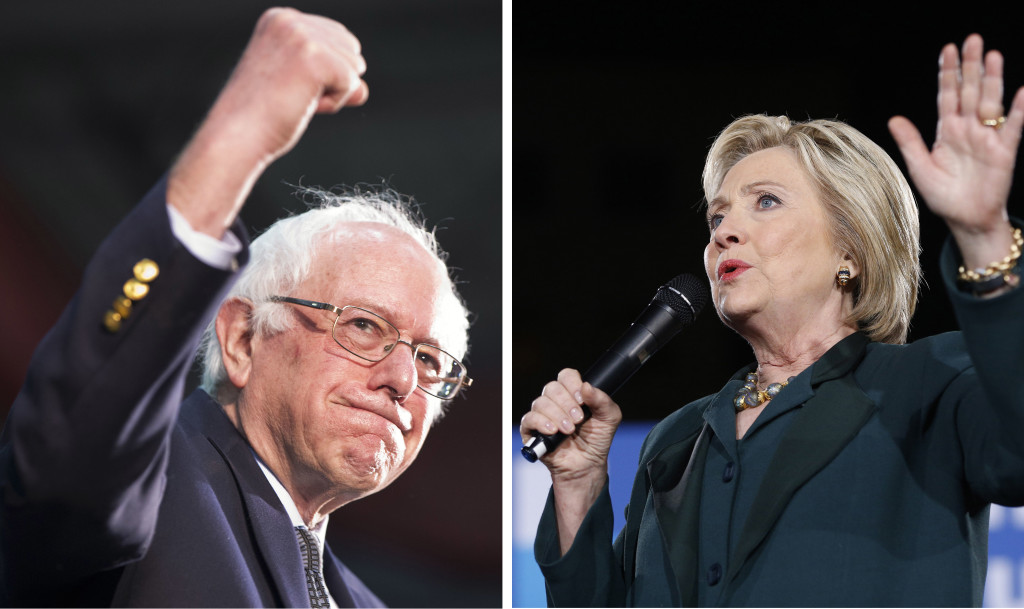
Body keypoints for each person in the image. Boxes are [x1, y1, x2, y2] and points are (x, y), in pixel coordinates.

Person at [520, 33, 1024, 607]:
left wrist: (984, 237)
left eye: (765, 201)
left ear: (850, 251)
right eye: (717, 214)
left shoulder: (930, 383)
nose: (724, 231)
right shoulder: (677, 441)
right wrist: (579, 482)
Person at [0, 7, 472, 607]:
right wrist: (240, 132)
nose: (404, 379)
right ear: (243, 340)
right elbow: (77, 427)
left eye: (432, 361)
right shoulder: (143, 492)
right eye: (362, 325)